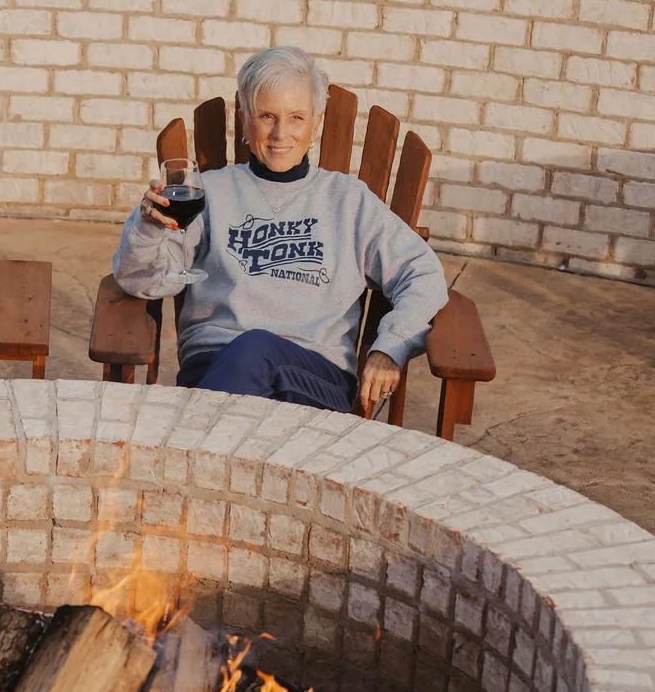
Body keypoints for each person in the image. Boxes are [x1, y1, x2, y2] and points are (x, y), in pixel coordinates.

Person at [112, 46, 448, 416]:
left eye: (296, 118)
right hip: (213, 364)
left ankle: (187, 444)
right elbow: (146, 282)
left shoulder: (347, 201)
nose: (279, 134)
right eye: (267, 116)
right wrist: (147, 229)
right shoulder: (208, 192)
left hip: (314, 377)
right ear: (244, 118)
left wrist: (391, 345)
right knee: (248, 367)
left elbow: (423, 273)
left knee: (254, 351)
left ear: (317, 123)